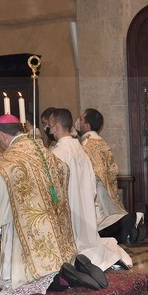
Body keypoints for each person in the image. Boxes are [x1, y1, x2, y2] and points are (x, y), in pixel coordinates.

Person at [0, 115, 78, 295]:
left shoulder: (8, 159)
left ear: (3, 136)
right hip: (49, 213)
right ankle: (60, 272)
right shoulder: (40, 148)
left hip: (27, 218)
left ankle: (47, 278)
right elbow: (63, 168)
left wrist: (1, 215)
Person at [43, 108, 132, 270]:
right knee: (86, 239)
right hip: (84, 207)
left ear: (55, 127)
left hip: (69, 209)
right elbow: (92, 183)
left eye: (49, 125)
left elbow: (53, 188)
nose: (48, 129)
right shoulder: (80, 149)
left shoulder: (57, 153)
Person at [78, 108, 144, 245]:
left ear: (87, 125)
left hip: (95, 192)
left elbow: (91, 172)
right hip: (106, 189)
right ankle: (129, 228)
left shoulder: (86, 145)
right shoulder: (102, 142)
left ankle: (130, 221)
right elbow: (113, 169)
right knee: (105, 221)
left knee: (96, 225)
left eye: (81, 119)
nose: (78, 121)